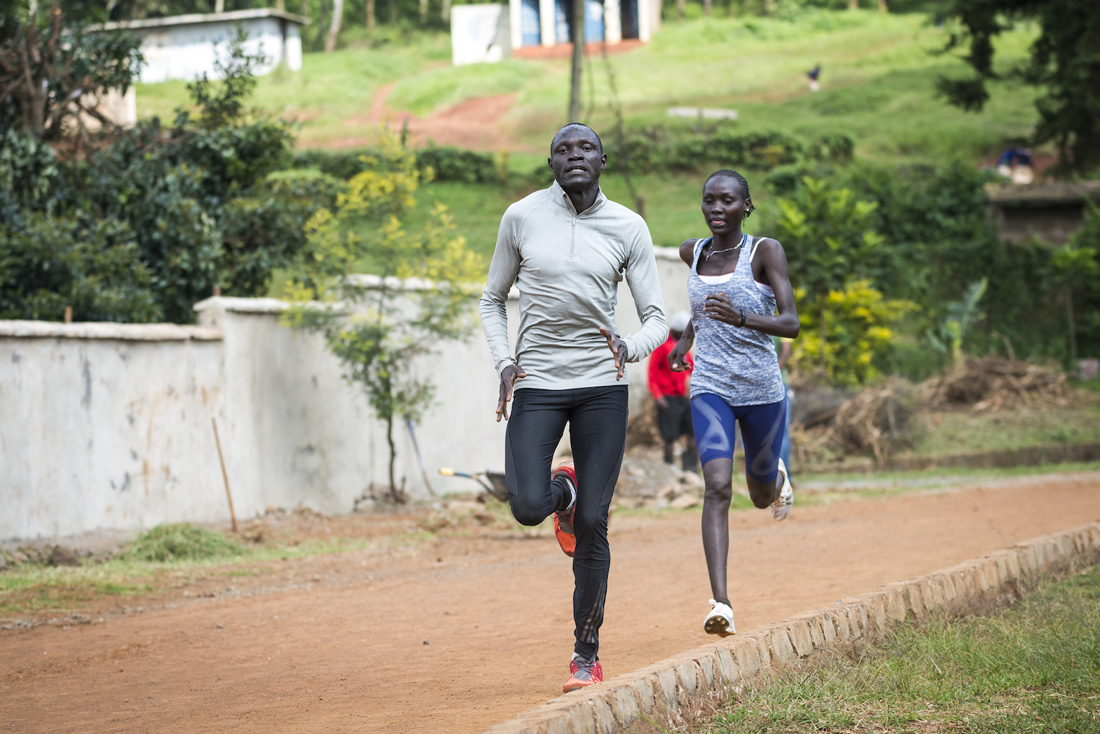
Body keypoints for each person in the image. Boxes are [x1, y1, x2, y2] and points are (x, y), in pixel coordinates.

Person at [479, 123, 668, 693]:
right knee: (528, 506)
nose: (574, 156)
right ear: (552, 162)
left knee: (593, 524)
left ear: (603, 160)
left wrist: (630, 348)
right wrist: (504, 363)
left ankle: (586, 655)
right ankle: (564, 489)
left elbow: (656, 317)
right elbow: (492, 300)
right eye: (563, 149)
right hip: (536, 383)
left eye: (585, 148)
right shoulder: (521, 217)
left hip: (601, 387)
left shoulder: (627, 226)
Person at [668, 169, 800, 638]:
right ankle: (720, 602)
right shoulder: (693, 252)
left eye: (727, 200)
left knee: (759, 495)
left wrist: (744, 317)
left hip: (762, 388)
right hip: (711, 387)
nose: (716, 208)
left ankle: (777, 478)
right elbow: (704, 311)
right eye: (708, 200)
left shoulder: (765, 252)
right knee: (717, 486)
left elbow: (791, 322)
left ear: (746, 205)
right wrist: (685, 342)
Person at [647, 311, 698, 471]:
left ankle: (690, 469)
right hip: (667, 398)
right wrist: (658, 396)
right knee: (669, 437)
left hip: (682, 397)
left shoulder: (684, 348)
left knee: (692, 432)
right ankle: (669, 470)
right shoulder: (663, 347)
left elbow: (692, 369)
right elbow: (652, 372)